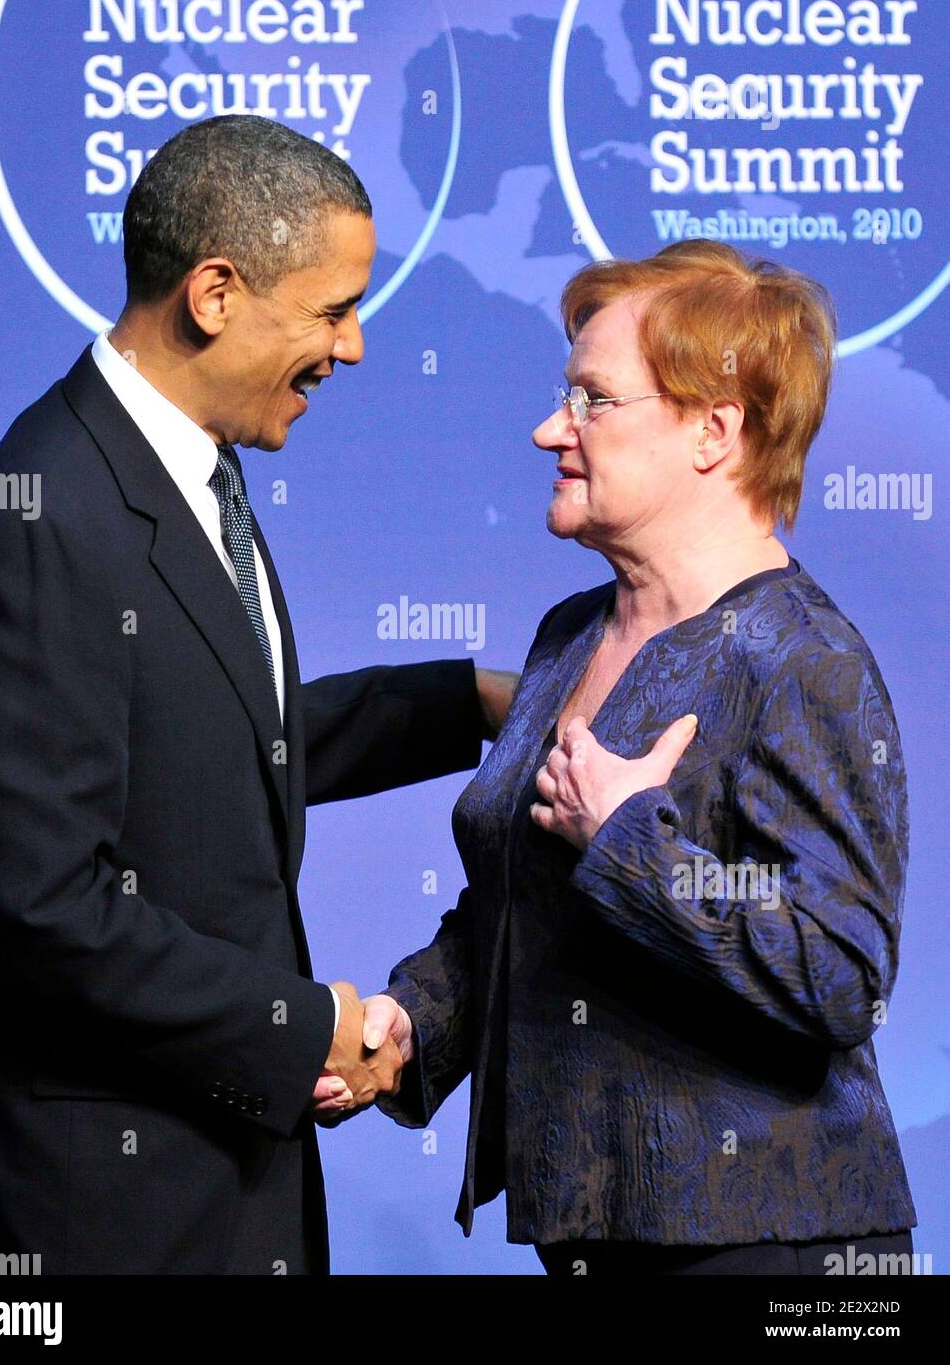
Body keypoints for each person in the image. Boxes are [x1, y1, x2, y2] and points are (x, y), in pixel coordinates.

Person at [0, 114, 516, 1276]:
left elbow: (233, 737)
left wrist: (474, 701)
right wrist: (306, 1027)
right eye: (333, 308)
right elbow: (45, 911)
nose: (353, 347)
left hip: (208, 1192)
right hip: (95, 1222)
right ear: (216, 292)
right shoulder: (44, 517)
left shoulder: (184, 468)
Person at [351, 241, 917, 1275]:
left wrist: (629, 838)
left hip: (770, 1249)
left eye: (591, 400)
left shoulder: (804, 660)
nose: (546, 429)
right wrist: (403, 1027)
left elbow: (841, 978)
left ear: (714, 430)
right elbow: (517, 911)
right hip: (596, 1238)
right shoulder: (570, 634)